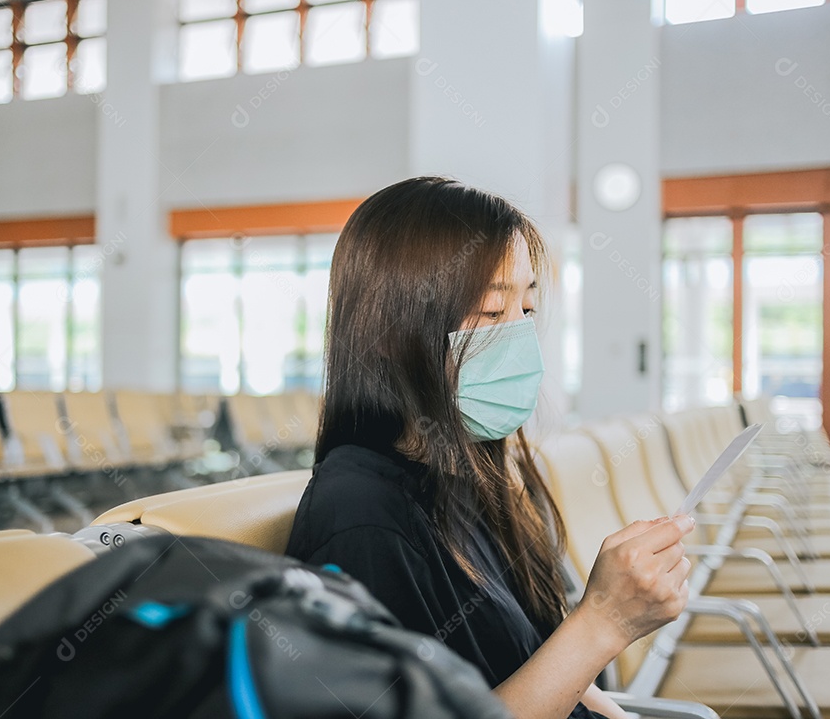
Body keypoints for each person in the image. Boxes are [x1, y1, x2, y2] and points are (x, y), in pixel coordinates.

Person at [285, 177, 695, 719]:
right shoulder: (360, 519)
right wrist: (604, 622)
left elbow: (535, 662)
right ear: (388, 330)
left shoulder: (467, 479)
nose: (520, 337)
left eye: (526, 309)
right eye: (492, 311)